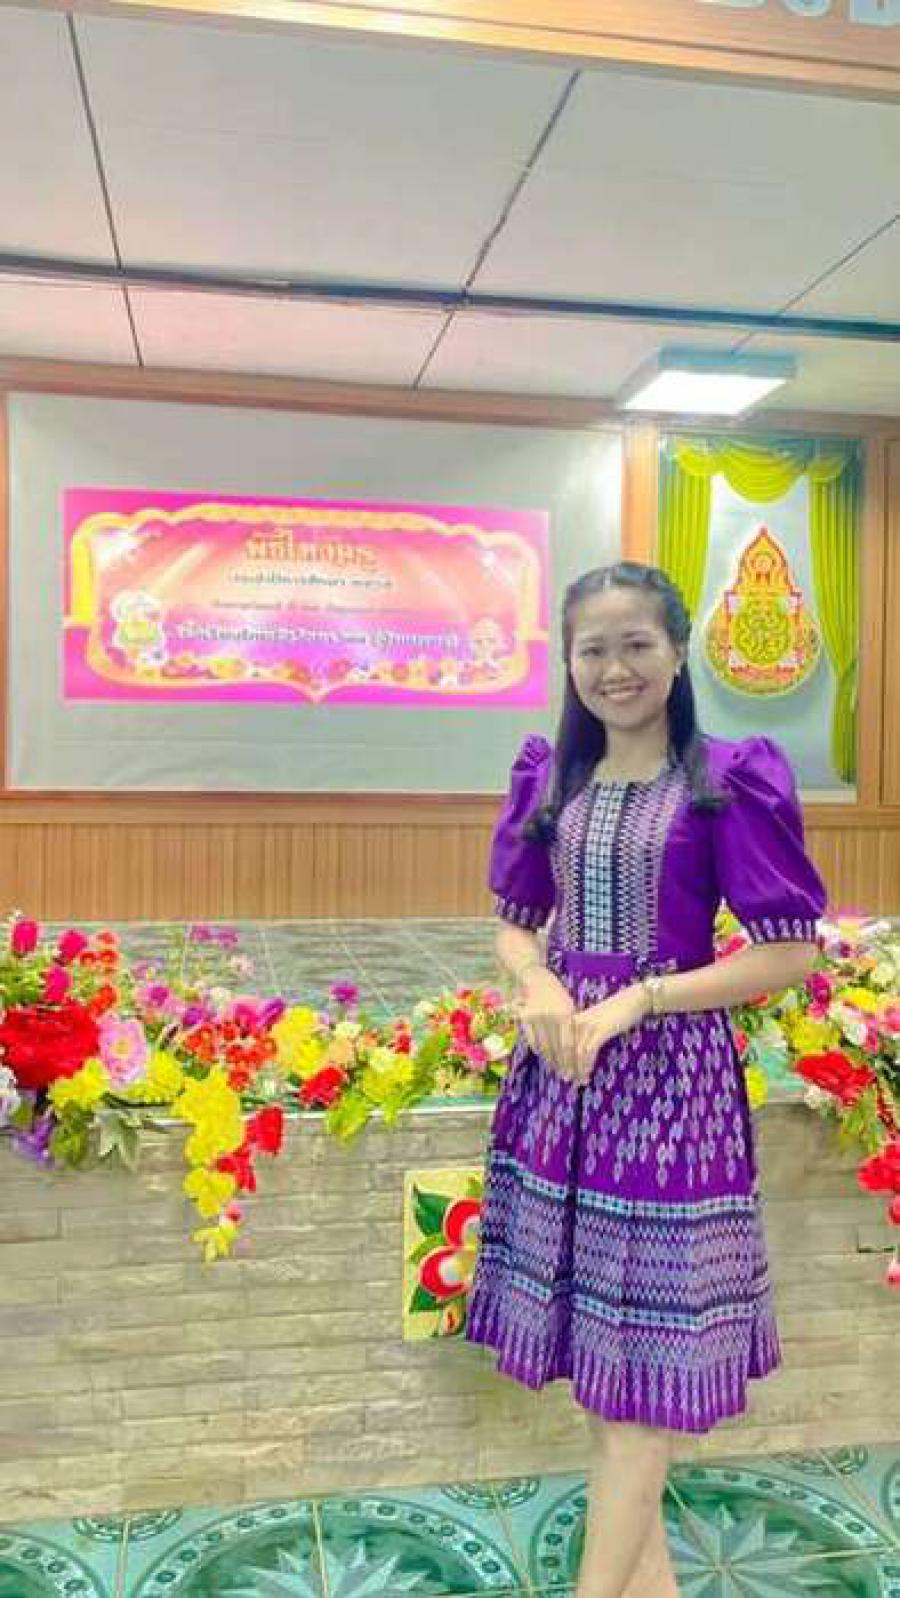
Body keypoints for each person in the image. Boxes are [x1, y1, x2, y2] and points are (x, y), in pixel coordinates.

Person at [466, 561, 827, 1598]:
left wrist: (644, 998)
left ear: (677, 650)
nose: (615, 668)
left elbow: (790, 951)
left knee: (640, 1395)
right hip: (563, 1085)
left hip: (672, 1099)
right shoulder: (554, 778)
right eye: (593, 648)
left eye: (636, 644)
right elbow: (514, 924)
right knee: (603, 1377)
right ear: (569, 660)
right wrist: (537, 977)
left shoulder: (726, 780)